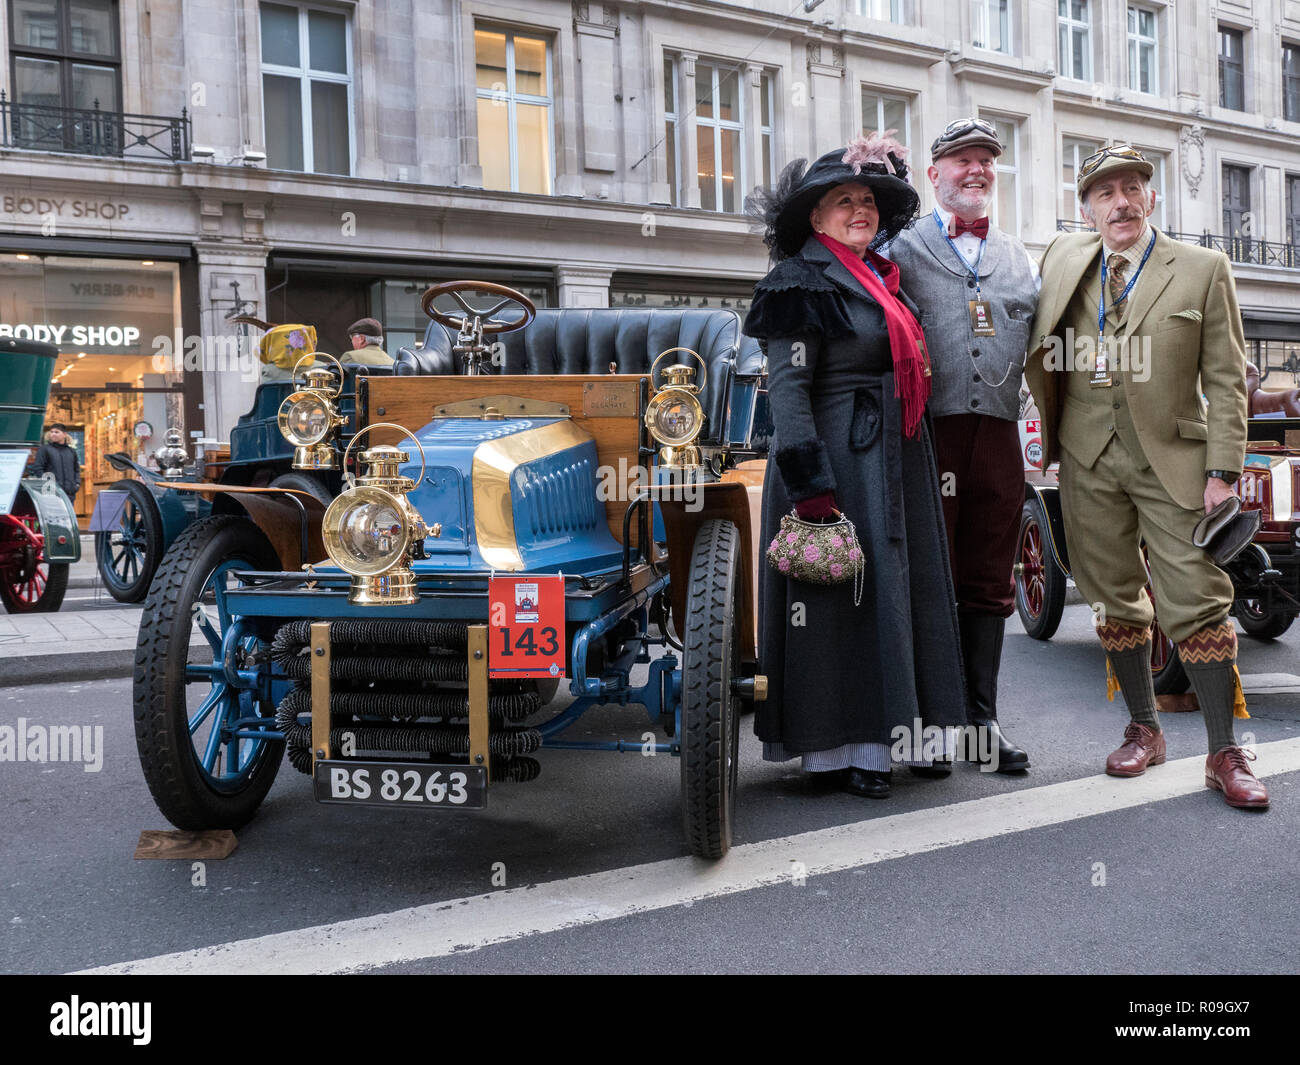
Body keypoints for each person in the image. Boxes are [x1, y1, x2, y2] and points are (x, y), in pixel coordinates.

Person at [1025, 143, 1267, 809]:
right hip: (1087, 456)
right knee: (1110, 596)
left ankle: (1223, 750)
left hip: (1174, 458)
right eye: (1105, 192)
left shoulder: (1202, 268)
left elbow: (1225, 379)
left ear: (1151, 197)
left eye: (1132, 187)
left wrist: (1223, 472)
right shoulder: (1062, 260)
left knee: (1197, 595)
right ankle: (1144, 726)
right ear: (1087, 208)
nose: (1121, 201)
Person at [743, 134, 968, 799]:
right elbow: (788, 390)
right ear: (815, 218)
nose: (860, 210)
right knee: (839, 601)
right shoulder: (799, 279)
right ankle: (842, 752)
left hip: (893, 458)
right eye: (843, 201)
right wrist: (813, 488)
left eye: (867, 199)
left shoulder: (881, 277)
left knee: (895, 597)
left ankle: (903, 736)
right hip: (836, 461)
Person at [885, 117, 1035, 774]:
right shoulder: (902, 247)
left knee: (989, 582)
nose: (976, 170)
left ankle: (982, 720)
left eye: (986, 162)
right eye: (962, 161)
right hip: (930, 435)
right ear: (935, 174)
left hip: (998, 436)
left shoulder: (1018, 254)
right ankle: (927, 723)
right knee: (929, 575)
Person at [30, 423, 80, 502]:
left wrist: (77, 484)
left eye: (56, 432)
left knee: (68, 514)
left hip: (69, 493)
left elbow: (76, 469)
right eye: (51, 432)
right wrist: (48, 485)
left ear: (64, 434)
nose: (53, 434)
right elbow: (38, 468)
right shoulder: (44, 450)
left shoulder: (71, 451)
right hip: (51, 493)